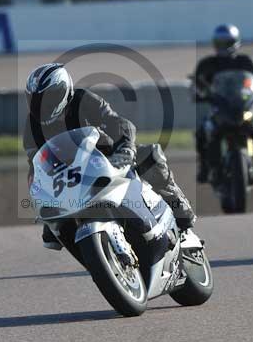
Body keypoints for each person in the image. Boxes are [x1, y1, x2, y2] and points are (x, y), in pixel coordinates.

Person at [24, 62, 198, 250]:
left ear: (64, 91)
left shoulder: (84, 100)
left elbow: (119, 124)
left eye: (47, 98)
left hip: (108, 159)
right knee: (54, 234)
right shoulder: (32, 127)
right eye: (36, 99)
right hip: (71, 180)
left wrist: (125, 149)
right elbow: (36, 167)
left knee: (150, 156)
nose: (41, 105)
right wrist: (42, 198)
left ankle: (182, 220)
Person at [192, 24, 253, 183]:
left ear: (235, 42)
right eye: (219, 43)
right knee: (203, 132)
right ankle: (205, 166)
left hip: (243, 105)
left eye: (226, 42)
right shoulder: (207, 64)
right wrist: (200, 93)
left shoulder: (247, 62)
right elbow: (197, 84)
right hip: (219, 108)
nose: (223, 47)